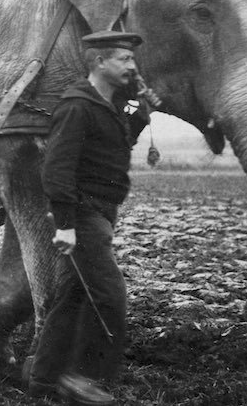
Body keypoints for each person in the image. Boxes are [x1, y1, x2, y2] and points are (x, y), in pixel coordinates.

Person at [26, 31, 160, 406]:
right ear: (100, 61)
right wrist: (66, 224)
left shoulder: (115, 105)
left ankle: (44, 379)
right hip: (84, 213)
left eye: (133, 59)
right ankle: (84, 378)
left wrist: (138, 104)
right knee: (109, 296)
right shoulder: (77, 106)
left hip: (103, 209)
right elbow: (57, 169)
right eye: (124, 59)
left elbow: (126, 134)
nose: (132, 66)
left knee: (73, 294)